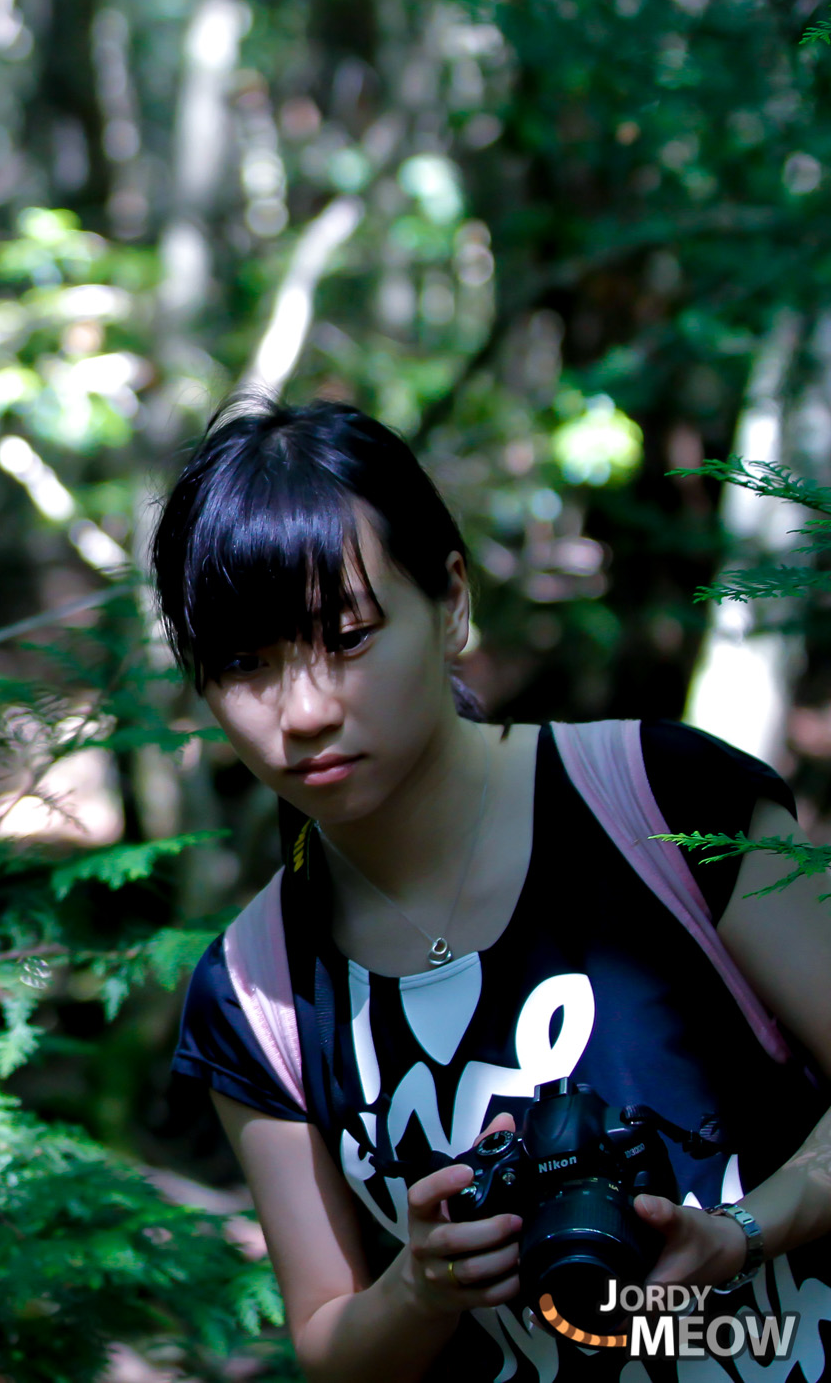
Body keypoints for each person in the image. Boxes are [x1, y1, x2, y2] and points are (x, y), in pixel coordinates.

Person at [158, 396, 831, 1382]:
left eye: (346, 637)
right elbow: (332, 1345)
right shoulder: (251, 993)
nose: (301, 711)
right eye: (243, 665)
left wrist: (741, 1231)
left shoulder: (667, 803)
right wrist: (418, 1288)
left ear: (452, 603)